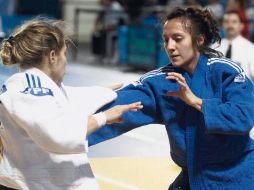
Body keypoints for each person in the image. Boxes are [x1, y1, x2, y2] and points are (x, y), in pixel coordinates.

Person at [89, 7, 254, 189]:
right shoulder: (163, 80)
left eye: (177, 39)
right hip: (195, 177)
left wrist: (197, 102)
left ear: (199, 40)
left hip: (238, 174)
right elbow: (123, 105)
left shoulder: (226, 72)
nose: (169, 47)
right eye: (166, 40)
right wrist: (82, 115)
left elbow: (243, 115)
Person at [0, 19, 143, 190]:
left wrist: (103, 92)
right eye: (64, 54)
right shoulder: (31, 89)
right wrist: (104, 117)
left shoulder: (30, 85)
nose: (65, 62)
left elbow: (72, 99)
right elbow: (58, 136)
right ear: (52, 56)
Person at [215, 10, 254, 81]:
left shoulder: (250, 48)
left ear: (241, 26)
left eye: (234, 22)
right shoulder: (214, 47)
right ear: (222, 25)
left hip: (243, 90)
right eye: (226, 22)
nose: (230, 25)